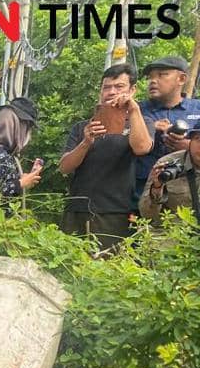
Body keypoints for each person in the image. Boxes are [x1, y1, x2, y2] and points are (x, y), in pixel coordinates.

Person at [59, 63, 153, 253]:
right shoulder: (82, 127)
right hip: (76, 209)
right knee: (67, 265)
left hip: (114, 213)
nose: (111, 92)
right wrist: (86, 142)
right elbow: (64, 168)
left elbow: (142, 148)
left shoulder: (141, 123)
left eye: (119, 86)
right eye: (106, 87)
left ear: (132, 90)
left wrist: (134, 110)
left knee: (106, 266)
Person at [135, 54, 200, 209]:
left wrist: (190, 146)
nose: (153, 81)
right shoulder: (136, 110)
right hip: (141, 197)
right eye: (150, 77)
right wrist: (150, 127)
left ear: (181, 79)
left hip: (189, 197)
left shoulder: (197, 108)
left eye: (162, 75)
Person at [139, 119, 200, 224]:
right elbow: (147, 215)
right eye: (198, 139)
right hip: (176, 229)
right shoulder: (167, 164)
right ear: (190, 141)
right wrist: (157, 188)